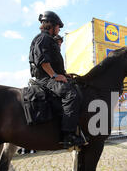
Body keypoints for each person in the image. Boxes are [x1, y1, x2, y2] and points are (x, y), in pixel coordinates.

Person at [29, 11, 85, 148]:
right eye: (58, 27)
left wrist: (64, 75)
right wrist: (54, 75)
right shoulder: (44, 38)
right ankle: (68, 135)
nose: (59, 30)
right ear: (51, 26)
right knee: (70, 94)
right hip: (45, 79)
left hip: (49, 77)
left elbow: (52, 63)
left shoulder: (48, 39)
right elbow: (42, 60)